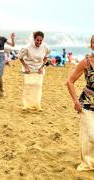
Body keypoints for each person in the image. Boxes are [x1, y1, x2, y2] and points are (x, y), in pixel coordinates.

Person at [66, 35, 94, 171]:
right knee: (91, 134)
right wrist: (76, 101)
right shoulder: (86, 62)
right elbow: (69, 82)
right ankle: (88, 163)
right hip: (88, 103)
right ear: (91, 45)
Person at [19, 31, 50, 111]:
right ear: (34, 39)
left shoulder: (45, 47)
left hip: (39, 68)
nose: (39, 42)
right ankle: (26, 105)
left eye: (41, 40)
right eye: (37, 40)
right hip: (28, 68)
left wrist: (41, 67)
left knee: (38, 86)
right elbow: (20, 57)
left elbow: (46, 58)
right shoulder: (27, 47)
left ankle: (37, 105)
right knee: (28, 86)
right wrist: (25, 67)